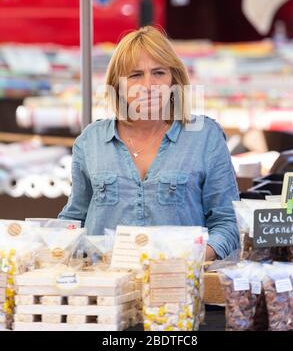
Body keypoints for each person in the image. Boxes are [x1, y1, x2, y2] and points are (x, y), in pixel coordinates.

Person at [58, 26, 240, 261]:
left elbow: (228, 222)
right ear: (117, 85)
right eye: (135, 75)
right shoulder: (90, 141)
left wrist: (199, 255)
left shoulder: (205, 136)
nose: (149, 85)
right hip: (109, 291)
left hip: (179, 289)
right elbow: (75, 218)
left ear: (174, 79)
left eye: (159, 73)